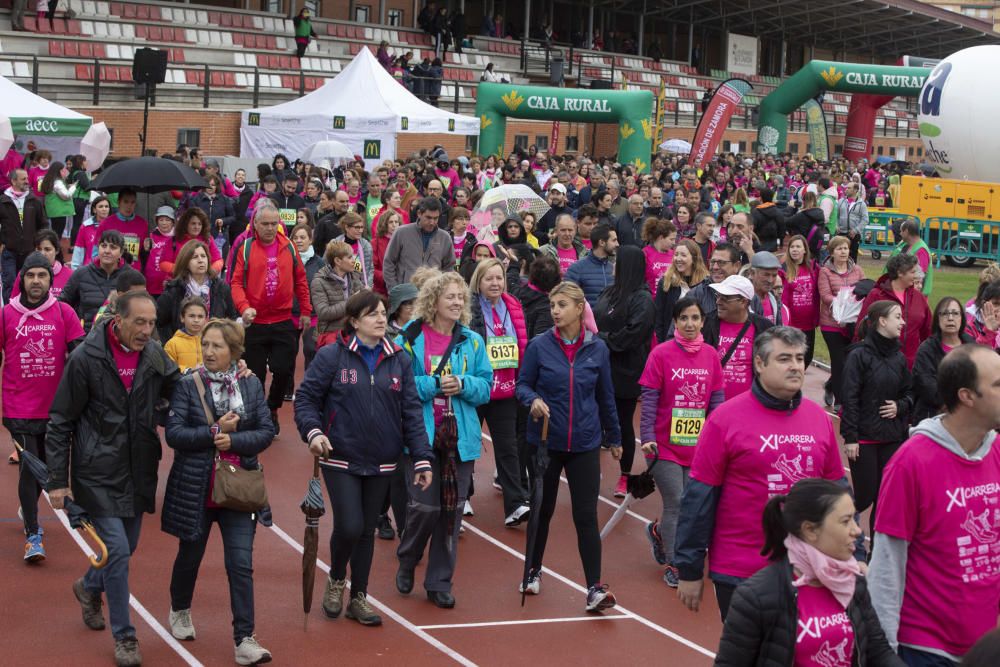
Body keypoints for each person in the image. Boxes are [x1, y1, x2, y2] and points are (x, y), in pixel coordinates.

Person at [674, 327, 846, 621]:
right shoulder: (724, 420)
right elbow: (698, 499)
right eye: (783, 359)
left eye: (798, 358)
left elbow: (838, 495)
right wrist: (689, 569)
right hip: (741, 571)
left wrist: (851, 556)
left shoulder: (818, 419)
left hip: (807, 569)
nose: (795, 366)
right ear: (760, 364)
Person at [47, 291, 181, 667]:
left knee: (129, 544)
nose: (147, 330)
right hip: (96, 472)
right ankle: (125, 637)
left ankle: (89, 586)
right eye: (139, 322)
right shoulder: (85, 359)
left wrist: (226, 378)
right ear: (117, 320)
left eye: (152, 323)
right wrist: (58, 480)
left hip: (138, 468)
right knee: (117, 551)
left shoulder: (153, 354)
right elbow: (60, 421)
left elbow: (180, 390)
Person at [297, 289, 435, 624]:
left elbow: (412, 412)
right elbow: (306, 400)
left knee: (365, 532)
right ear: (355, 320)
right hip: (341, 455)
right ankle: (336, 579)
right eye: (372, 314)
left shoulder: (399, 359)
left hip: (383, 460)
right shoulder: (332, 356)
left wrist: (422, 457)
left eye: (382, 312)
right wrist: (314, 433)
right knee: (350, 524)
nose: (379, 319)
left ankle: (358, 595)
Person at [869, 345, 1000, 666]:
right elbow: (887, 563)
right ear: (967, 396)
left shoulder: (996, 452)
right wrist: (883, 653)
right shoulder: (911, 462)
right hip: (926, 649)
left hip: (986, 647)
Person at [162, 318, 274, 665]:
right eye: (205, 344)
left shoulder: (252, 385)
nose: (209, 351)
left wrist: (234, 440)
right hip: (197, 486)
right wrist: (213, 431)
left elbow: (266, 430)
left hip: (238, 485)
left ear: (234, 351)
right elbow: (174, 434)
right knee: (190, 556)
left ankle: (245, 639)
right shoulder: (187, 384)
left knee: (240, 563)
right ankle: (180, 608)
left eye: (217, 346)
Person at [715, 478, 903, 667]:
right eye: (846, 521)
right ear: (810, 530)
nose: (857, 531)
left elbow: (878, 652)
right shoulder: (756, 597)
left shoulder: (853, 582)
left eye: (854, 520)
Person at [516, 281, 621, 611]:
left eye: (562, 305)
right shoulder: (538, 346)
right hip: (546, 442)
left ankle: (594, 588)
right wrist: (532, 400)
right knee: (542, 511)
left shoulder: (598, 349)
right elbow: (522, 385)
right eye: (552, 305)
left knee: (585, 516)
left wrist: (615, 436)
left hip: (585, 443)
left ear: (579, 308)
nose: (555, 311)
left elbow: (606, 396)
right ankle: (532, 571)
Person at [394, 271, 492, 609]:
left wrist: (463, 384)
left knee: (450, 513)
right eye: (449, 296)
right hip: (419, 438)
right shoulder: (408, 338)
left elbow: (486, 387)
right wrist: (434, 385)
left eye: (460, 297)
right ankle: (408, 558)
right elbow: (399, 385)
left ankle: (438, 581)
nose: (456, 302)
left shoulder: (473, 341)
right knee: (424, 507)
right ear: (432, 300)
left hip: (458, 440)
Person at [4, 252, 85, 562]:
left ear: (50, 281)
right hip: (18, 405)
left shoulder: (63, 312)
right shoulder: (8, 315)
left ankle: (29, 505)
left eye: (41, 275)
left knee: (49, 468)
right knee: (30, 467)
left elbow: (79, 356)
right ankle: (33, 534)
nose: (36, 281)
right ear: (21, 280)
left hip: (55, 409)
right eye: (30, 276)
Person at [640, 297, 724, 587]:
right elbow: (649, 399)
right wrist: (648, 437)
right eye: (684, 318)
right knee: (677, 502)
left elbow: (716, 401)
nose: (690, 324)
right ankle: (676, 564)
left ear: (703, 322)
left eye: (695, 318)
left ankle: (660, 531)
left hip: (697, 446)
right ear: (675, 322)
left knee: (692, 504)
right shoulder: (661, 354)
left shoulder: (711, 356)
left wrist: (716, 440)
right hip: (663, 445)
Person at [230, 204, 312, 428]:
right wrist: (244, 307)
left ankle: (272, 407)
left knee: (284, 370)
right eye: (264, 224)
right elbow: (235, 283)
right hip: (255, 322)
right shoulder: (245, 248)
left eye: (273, 224)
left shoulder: (290, 247)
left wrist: (306, 310)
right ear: (255, 224)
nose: (269, 228)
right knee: (254, 374)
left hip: (283, 321)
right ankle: (258, 412)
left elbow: (301, 281)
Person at [468, 258, 531, 526]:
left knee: (508, 447)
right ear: (478, 282)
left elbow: (522, 342)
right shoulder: (469, 307)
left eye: (499, 278)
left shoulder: (513, 304)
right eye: (489, 278)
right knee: (468, 447)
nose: (495, 283)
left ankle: (515, 504)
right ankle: (462, 498)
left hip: (506, 387)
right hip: (476, 389)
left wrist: (521, 380)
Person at [841, 300, 912, 540]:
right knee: (864, 496)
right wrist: (850, 437)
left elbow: (910, 393)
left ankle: (876, 553)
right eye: (898, 317)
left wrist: (900, 406)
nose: (903, 322)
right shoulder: (858, 355)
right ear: (882, 321)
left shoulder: (899, 358)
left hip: (892, 437)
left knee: (885, 498)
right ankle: (837, 535)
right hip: (864, 438)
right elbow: (849, 397)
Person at [593, 246, 655, 498]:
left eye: (618, 261)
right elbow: (594, 319)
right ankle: (591, 470)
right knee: (595, 419)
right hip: (600, 365)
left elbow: (633, 334)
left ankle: (625, 474)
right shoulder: (610, 292)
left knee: (622, 422)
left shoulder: (643, 299)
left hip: (626, 369)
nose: (613, 264)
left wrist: (603, 338)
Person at [703, 274, 774, 399]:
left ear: (743, 301)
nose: (718, 301)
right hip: (710, 403)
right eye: (718, 296)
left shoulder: (764, 328)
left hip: (749, 406)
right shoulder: (706, 323)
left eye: (725, 298)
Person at [855, 253, 931, 369]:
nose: (916, 276)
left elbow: (928, 331)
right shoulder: (876, 295)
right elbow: (861, 329)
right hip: (880, 364)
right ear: (900, 273)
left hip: (911, 366)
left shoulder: (918, 298)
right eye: (912, 272)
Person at [156, 240, 238, 342]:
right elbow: (159, 321)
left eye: (203, 256)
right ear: (185, 262)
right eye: (195, 257)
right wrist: (171, 343)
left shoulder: (221, 287)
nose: (200, 260)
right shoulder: (175, 288)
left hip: (212, 347)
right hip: (182, 350)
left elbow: (231, 318)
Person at [819, 235, 867, 409]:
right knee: (839, 361)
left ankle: (831, 385)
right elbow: (825, 296)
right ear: (832, 252)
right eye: (839, 248)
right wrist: (844, 301)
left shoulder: (858, 270)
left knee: (849, 361)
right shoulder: (825, 272)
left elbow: (865, 289)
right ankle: (840, 400)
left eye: (845, 248)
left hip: (853, 324)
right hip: (831, 324)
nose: (843, 251)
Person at [911, 298, 973, 423]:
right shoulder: (927, 349)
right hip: (933, 417)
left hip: (968, 417)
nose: (950, 318)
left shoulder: (970, 345)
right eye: (944, 313)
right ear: (937, 319)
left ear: (962, 317)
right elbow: (927, 387)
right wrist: (960, 401)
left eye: (955, 313)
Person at [60, 229, 131, 332]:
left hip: (120, 339)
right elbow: (63, 304)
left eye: (113, 247)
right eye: (103, 246)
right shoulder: (81, 274)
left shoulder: (131, 276)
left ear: (121, 252)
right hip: (85, 339)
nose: (107, 251)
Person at [383, 198, 455, 290]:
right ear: (419, 214)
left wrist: (443, 290)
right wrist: (394, 289)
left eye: (435, 218)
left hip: (432, 294)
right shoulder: (401, 233)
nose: (432, 222)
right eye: (428, 217)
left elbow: (449, 268)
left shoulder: (445, 237)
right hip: (405, 294)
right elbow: (389, 262)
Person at [0, 168, 49, 302]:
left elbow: (43, 224)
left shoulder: (34, 201)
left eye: (27, 178)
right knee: (9, 282)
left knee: (27, 284)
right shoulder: (3, 201)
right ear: (13, 181)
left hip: (30, 252)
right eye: (23, 179)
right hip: (9, 251)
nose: (27, 181)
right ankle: (8, 314)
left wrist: (39, 244)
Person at [312, 240, 364, 349]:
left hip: (354, 333)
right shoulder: (319, 281)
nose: (354, 260)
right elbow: (323, 313)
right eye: (349, 257)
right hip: (331, 336)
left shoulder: (355, 276)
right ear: (338, 261)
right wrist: (351, 302)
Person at [781, 235, 820, 368]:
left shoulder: (814, 268)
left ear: (805, 250)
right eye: (792, 247)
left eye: (798, 246)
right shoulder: (783, 269)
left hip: (809, 323)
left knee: (807, 358)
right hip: (791, 324)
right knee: (791, 359)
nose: (795, 250)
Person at [565, 224, 618, 307]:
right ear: (602, 242)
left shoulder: (614, 269)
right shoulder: (576, 268)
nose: (617, 244)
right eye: (614, 240)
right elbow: (568, 300)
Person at [11, 229, 72, 299]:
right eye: (39, 249)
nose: (42, 253)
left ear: (57, 250)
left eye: (47, 249)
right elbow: (13, 303)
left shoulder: (70, 275)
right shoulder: (24, 273)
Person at [98, 189, 148, 272]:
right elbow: (96, 251)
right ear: (118, 202)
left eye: (132, 202)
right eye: (126, 202)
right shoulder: (106, 223)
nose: (129, 206)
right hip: (111, 272)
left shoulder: (142, 223)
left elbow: (144, 252)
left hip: (133, 272)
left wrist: (147, 248)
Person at [163, 296, 208, 372]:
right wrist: (189, 370)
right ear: (182, 318)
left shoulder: (209, 342)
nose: (196, 320)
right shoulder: (172, 344)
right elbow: (167, 368)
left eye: (200, 316)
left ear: (206, 319)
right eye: (191, 316)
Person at [890, 220, 933, 298]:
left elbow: (918, 277)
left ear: (906, 231)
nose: (900, 234)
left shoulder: (921, 250)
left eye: (901, 231)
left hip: (915, 296)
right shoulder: (909, 245)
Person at [334, 211, 374, 289]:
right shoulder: (335, 244)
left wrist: (368, 286)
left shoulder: (366, 245)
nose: (360, 231)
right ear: (347, 227)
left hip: (361, 288)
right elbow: (327, 267)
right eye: (357, 227)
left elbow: (370, 269)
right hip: (339, 287)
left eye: (362, 227)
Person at [749, 251, 790, 326]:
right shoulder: (743, 301)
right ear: (752, 273)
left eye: (774, 275)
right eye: (766, 275)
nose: (770, 280)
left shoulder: (775, 300)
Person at [40, 160, 76, 240]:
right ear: (58, 171)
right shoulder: (58, 182)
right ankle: (56, 249)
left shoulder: (50, 180)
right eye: (63, 170)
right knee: (58, 233)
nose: (65, 172)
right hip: (60, 211)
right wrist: (74, 187)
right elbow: (66, 195)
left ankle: (54, 248)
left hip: (53, 211)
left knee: (54, 231)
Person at [73, 195, 111, 269]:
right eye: (101, 206)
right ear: (94, 210)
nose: (104, 209)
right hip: (90, 269)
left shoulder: (114, 226)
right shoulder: (86, 226)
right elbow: (79, 250)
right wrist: (75, 269)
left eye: (106, 206)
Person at [642, 218, 677, 295]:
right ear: (661, 237)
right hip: (651, 301)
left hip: (669, 300)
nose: (674, 243)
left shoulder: (674, 254)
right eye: (671, 239)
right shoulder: (645, 253)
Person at [836, 182, 868, 263]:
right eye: (846, 188)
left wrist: (855, 230)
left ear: (855, 190)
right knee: (840, 257)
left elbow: (865, 219)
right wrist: (836, 226)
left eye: (849, 188)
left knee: (852, 259)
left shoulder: (861, 204)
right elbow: (836, 216)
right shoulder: (841, 201)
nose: (846, 190)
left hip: (854, 235)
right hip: (841, 234)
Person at [750, 189, 785, 253]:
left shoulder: (755, 212)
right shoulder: (778, 212)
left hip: (759, 245)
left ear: (761, 198)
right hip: (773, 246)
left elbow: (751, 229)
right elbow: (782, 230)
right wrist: (781, 243)